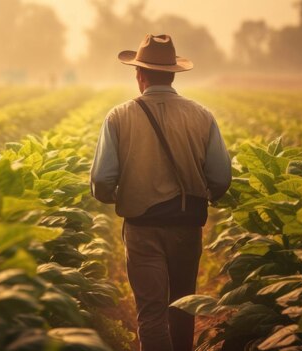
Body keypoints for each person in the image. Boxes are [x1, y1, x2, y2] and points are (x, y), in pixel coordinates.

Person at [90, 34, 232, 351]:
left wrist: (124, 194)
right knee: (183, 307)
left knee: (151, 313)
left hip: (142, 228)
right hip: (186, 226)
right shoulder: (202, 115)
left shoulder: (118, 117)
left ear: (139, 75)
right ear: (172, 74)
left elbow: (101, 180)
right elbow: (221, 178)